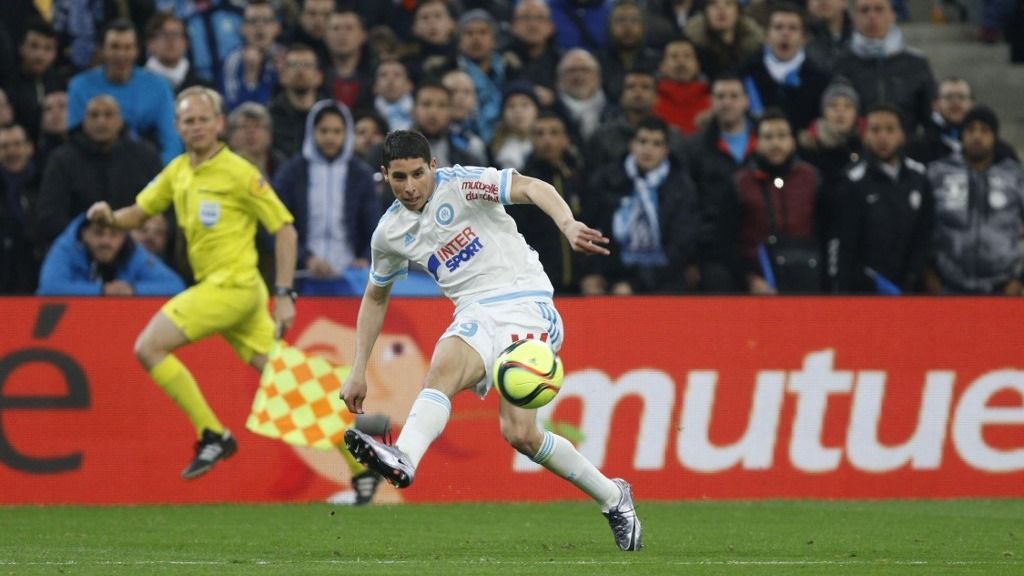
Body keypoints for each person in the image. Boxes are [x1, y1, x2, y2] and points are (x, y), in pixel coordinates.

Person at [340, 130, 643, 552]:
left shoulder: (464, 182)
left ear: (432, 166)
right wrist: (358, 369)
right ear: (384, 175)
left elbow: (532, 187)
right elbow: (375, 295)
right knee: (451, 375)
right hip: (473, 311)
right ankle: (405, 456)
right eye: (398, 178)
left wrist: (567, 222)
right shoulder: (389, 232)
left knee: (521, 433)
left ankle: (613, 497)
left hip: (524, 298)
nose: (409, 187)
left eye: (416, 174)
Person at [81, 86, 301, 480]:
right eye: (188, 120)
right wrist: (108, 218)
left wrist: (284, 294)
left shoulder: (240, 172)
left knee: (149, 347)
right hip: (231, 295)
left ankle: (212, 433)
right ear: (177, 126)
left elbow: (285, 230)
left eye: (204, 119)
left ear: (219, 124)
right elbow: (139, 212)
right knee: (283, 380)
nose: (197, 127)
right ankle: (361, 463)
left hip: (231, 287)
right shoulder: (178, 171)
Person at [582, 116, 701, 295]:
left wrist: (641, 281)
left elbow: (682, 243)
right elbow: (588, 227)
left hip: (666, 274)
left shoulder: (682, 186)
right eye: (642, 141)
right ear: (631, 144)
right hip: (614, 272)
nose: (648, 149)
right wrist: (592, 272)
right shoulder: (606, 180)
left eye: (656, 143)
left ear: (666, 150)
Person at [274, 100, 380, 296]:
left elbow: (374, 225)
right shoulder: (292, 172)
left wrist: (366, 258)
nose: (330, 137)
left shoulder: (361, 174)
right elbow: (277, 223)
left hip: (351, 277)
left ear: (346, 134)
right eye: (324, 131)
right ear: (312, 132)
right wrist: (306, 258)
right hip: (302, 276)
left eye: (337, 131)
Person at [833, 104, 933, 293]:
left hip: (911, 288)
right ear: (865, 135)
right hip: (865, 292)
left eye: (890, 129)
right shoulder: (852, 181)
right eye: (875, 129)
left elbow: (925, 233)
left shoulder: (919, 177)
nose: (882, 137)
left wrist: (913, 274)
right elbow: (844, 246)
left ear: (902, 134)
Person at [37, 95, 162, 245]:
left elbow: (162, 208)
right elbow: (50, 215)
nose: (101, 121)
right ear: (84, 121)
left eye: (108, 114)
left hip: (136, 246)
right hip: (78, 246)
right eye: (94, 115)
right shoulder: (62, 159)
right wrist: (86, 237)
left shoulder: (146, 156)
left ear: (120, 120)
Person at [926, 106, 1024, 295]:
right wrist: (928, 273)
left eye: (984, 130)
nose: (977, 136)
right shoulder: (938, 174)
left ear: (995, 136)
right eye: (971, 129)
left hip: (1002, 288)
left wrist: (1020, 280)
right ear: (962, 135)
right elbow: (921, 229)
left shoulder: (1015, 176)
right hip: (947, 286)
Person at [66, 19, 182, 165]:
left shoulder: (159, 86)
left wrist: (155, 178)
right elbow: (75, 141)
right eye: (114, 47)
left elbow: (172, 145)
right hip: (94, 170)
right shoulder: (79, 86)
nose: (121, 54)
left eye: (128, 47)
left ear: (137, 51)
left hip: (147, 173)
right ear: (102, 50)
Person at [37, 214, 185, 296]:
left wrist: (132, 290)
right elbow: (50, 288)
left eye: (114, 234)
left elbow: (175, 286)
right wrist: (102, 291)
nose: (106, 241)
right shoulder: (67, 247)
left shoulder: (132, 250)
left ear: (124, 236)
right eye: (98, 233)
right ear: (84, 234)